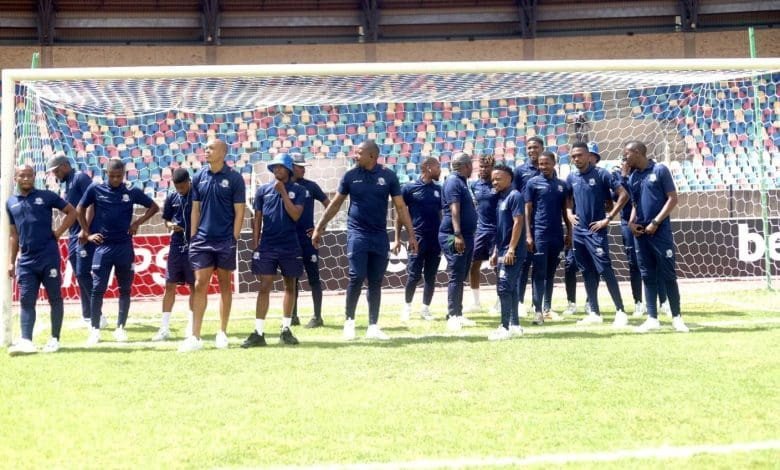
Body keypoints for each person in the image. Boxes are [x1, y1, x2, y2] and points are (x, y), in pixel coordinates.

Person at [312, 140, 417, 341]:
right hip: (357, 234)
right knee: (356, 276)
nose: (355, 155)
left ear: (372, 156)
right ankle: (349, 322)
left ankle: (373, 326)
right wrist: (319, 227)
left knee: (376, 281)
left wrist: (411, 235)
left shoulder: (388, 176)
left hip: (379, 235)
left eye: (359, 153)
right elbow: (335, 204)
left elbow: (401, 207)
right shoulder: (350, 176)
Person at [77, 158, 159, 345]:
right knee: (98, 289)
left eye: (119, 176)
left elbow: (153, 207)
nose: (115, 179)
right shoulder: (95, 189)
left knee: (125, 289)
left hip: (124, 246)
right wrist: (87, 233)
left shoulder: (130, 192)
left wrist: (137, 223)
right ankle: (95, 329)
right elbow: (80, 208)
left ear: (124, 174)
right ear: (106, 174)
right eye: (112, 176)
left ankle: (120, 328)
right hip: (103, 246)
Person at [179, 139, 246, 352]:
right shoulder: (199, 177)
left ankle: (222, 332)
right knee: (200, 284)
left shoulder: (235, 178)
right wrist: (193, 237)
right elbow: (195, 210)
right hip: (202, 240)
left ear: (223, 152)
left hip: (225, 240)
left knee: (225, 284)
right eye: (205, 147)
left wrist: (233, 238)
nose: (206, 151)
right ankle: (195, 336)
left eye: (211, 148)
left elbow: (240, 211)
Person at [6, 166, 76, 355]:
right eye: (22, 175)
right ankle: (27, 341)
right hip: (26, 260)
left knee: (55, 298)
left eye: (29, 175)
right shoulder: (10, 202)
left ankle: (55, 339)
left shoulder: (47, 196)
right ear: (16, 178)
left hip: (48, 257)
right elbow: (13, 235)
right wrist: (11, 261)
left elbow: (72, 212)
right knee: (26, 300)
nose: (26, 178)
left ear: (35, 177)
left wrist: (59, 232)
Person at [624, 140, 690, 333]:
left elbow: (673, 198)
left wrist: (656, 222)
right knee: (647, 275)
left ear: (637, 152)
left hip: (660, 232)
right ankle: (652, 318)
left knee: (668, 275)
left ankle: (677, 318)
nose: (624, 157)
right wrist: (631, 224)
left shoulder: (660, 170)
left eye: (626, 153)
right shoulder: (633, 176)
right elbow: (635, 205)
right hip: (640, 234)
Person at [241, 154, 304, 348]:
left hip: (290, 245)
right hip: (267, 245)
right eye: (274, 167)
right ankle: (259, 332)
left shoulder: (298, 190)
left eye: (280, 167)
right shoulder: (263, 190)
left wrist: (284, 193)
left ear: (288, 170)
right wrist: (255, 243)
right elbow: (257, 217)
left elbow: (295, 215)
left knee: (290, 285)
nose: (276, 170)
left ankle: (285, 329)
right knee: (264, 286)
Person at [565, 142, 629, 327]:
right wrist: (569, 213)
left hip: (596, 231)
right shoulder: (571, 177)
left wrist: (608, 218)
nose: (577, 159)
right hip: (579, 232)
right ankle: (594, 312)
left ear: (588, 156)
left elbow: (623, 195)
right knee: (586, 272)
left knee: (605, 270)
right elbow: (568, 198)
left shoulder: (602, 174)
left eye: (580, 155)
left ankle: (620, 311)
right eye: (573, 156)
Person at [48, 155, 102, 328]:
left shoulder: (80, 177)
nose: (55, 174)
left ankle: (97, 314)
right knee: (80, 274)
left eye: (56, 170)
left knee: (83, 272)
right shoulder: (67, 183)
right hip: (73, 234)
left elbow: (92, 203)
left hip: (82, 233)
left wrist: (85, 230)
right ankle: (87, 315)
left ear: (64, 166)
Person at [392, 157, 442, 322]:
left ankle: (425, 309)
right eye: (438, 167)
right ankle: (407, 308)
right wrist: (397, 238)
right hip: (417, 239)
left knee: (430, 276)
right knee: (413, 275)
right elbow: (400, 214)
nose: (440, 170)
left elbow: (442, 214)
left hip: (435, 239)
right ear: (428, 168)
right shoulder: (409, 188)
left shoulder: (439, 190)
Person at [524, 151, 571, 325]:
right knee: (539, 272)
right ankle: (537, 311)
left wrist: (570, 233)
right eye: (540, 164)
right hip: (539, 234)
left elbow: (566, 212)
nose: (543, 166)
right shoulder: (532, 183)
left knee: (551, 273)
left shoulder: (562, 185)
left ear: (554, 163)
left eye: (546, 163)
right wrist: (528, 234)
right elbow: (527, 210)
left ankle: (547, 308)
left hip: (557, 235)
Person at [152, 168, 194, 341]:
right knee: (170, 285)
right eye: (177, 187)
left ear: (188, 182)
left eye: (182, 186)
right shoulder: (171, 198)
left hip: (195, 244)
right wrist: (170, 226)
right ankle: (164, 327)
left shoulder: (198, 196)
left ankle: (192, 326)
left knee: (195, 286)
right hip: (176, 245)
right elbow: (166, 220)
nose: (180, 190)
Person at [290, 153, 330, 329]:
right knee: (291, 279)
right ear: (291, 167)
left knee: (314, 278)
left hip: (308, 239)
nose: (303, 169)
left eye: (304, 166)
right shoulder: (284, 187)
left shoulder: (311, 187)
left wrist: (320, 228)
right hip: (290, 239)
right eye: (300, 166)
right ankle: (292, 315)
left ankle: (317, 316)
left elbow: (330, 205)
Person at [439, 152, 478, 331]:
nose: (472, 169)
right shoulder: (454, 182)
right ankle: (453, 315)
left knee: (461, 275)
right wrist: (457, 234)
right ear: (466, 166)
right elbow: (454, 209)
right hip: (453, 234)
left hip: (465, 234)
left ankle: (458, 313)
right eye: (471, 166)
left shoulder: (462, 182)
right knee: (456, 274)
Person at [487, 164, 526, 341]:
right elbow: (501, 227)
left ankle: (504, 327)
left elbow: (518, 223)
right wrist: (496, 250)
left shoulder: (515, 196)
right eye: (493, 179)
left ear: (509, 178)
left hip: (513, 250)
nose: (494, 181)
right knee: (510, 287)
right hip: (502, 249)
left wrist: (511, 248)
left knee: (503, 287)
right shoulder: (501, 198)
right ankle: (515, 325)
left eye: (498, 178)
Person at [513, 136, 543, 317]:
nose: (532, 150)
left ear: (542, 148)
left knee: (540, 266)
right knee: (523, 265)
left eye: (535, 147)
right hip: (525, 223)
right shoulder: (520, 171)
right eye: (529, 148)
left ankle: (538, 305)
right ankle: (519, 302)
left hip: (544, 222)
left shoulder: (548, 169)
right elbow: (515, 197)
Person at [466, 154, 499, 314]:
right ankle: (476, 302)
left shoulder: (498, 184)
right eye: (482, 167)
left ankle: (500, 301)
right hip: (480, 231)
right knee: (474, 265)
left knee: (499, 267)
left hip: (496, 230)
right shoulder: (474, 185)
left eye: (487, 167)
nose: (484, 169)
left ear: (493, 167)